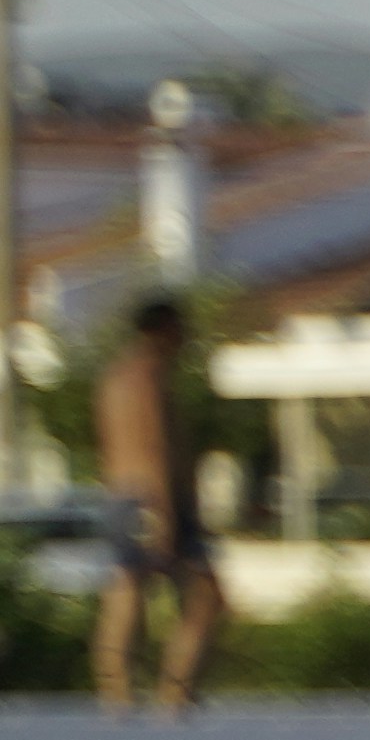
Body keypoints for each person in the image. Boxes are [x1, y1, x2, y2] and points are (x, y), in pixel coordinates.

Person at [74, 275, 224, 715]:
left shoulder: (112, 377)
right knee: (204, 597)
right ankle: (173, 694)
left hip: (120, 496)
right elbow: (155, 445)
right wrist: (167, 512)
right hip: (154, 498)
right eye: (182, 328)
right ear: (162, 330)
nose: (186, 338)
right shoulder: (149, 376)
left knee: (126, 591)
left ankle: (115, 692)